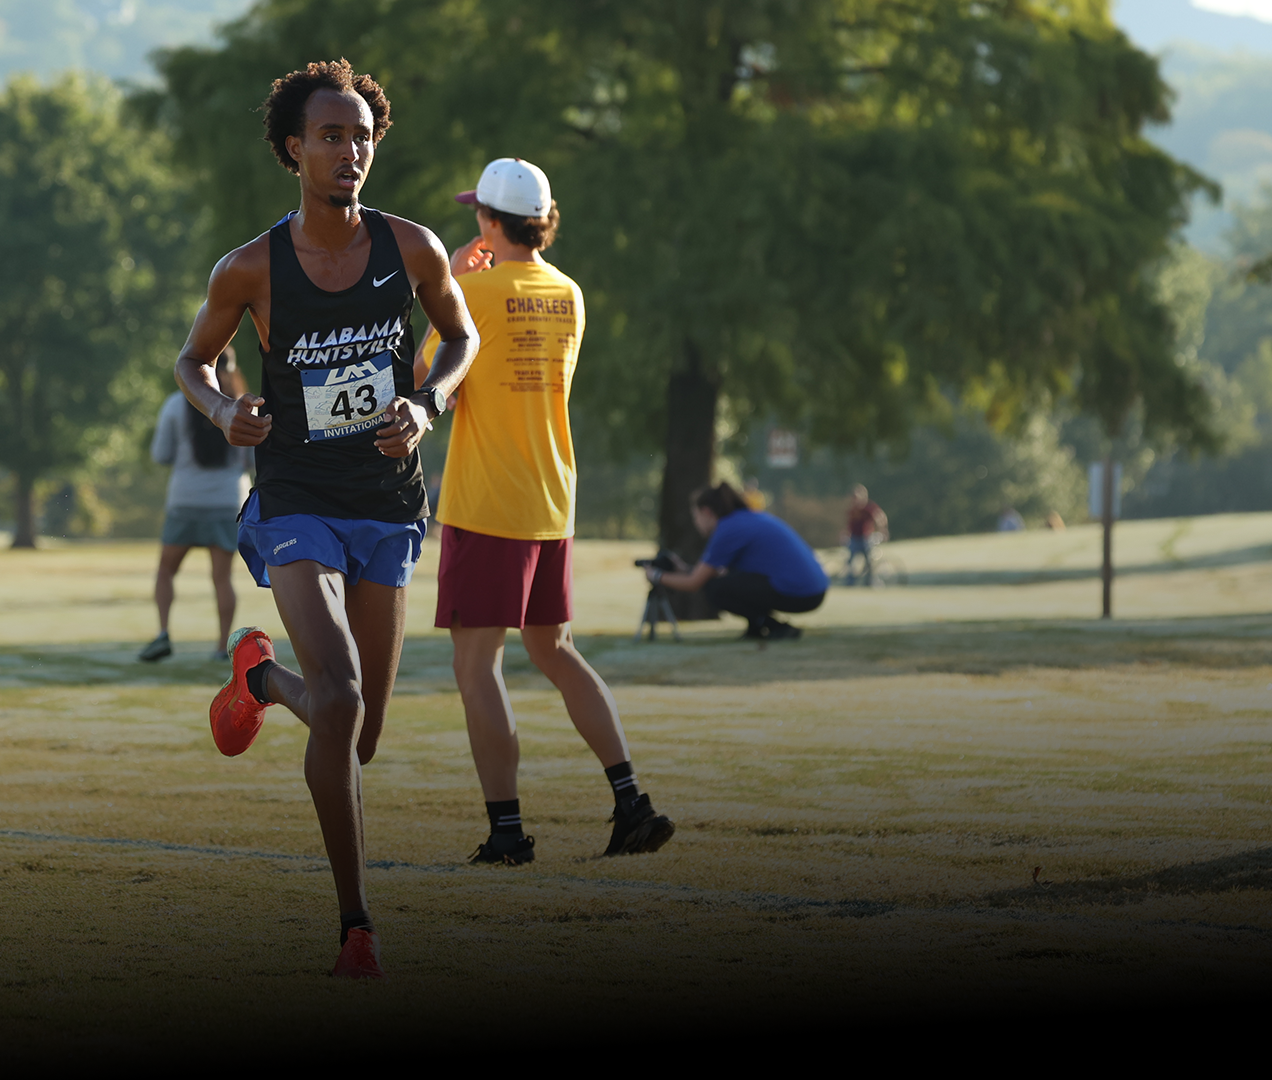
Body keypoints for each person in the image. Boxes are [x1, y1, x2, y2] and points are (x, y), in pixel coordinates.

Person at [174, 59, 478, 980]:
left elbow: (461, 338)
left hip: (386, 504)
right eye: (332, 136)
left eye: (364, 137)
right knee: (339, 699)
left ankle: (262, 682)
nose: (352, 152)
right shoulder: (251, 268)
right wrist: (227, 412)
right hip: (297, 498)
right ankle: (357, 930)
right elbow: (192, 363)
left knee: (361, 735)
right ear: (293, 149)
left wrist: (427, 404)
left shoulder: (414, 248)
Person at [417, 157, 673, 866]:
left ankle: (506, 832)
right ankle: (631, 800)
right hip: (551, 496)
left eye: (479, 212)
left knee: (477, 667)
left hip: (488, 497)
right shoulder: (570, 292)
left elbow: (425, 377)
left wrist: (457, 281)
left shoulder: (472, 289)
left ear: (490, 220)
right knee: (552, 649)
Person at [139, 347, 254, 663]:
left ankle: (163, 634)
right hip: (228, 501)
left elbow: (161, 454)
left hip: (185, 500)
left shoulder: (176, 405)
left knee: (166, 570)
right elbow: (255, 459)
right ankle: (221, 647)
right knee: (222, 578)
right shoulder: (244, 406)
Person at [649, 482, 828, 640]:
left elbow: (695, 582)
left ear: (706, 512)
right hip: (814, 588)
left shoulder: (728, 528)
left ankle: (776, 627)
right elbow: (718, 573)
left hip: (802, 592)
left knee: (715, 589)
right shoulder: (744, 519)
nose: (695, 523)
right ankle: (756, 628)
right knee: (724, 582)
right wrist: (684, 569)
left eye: (695, 516)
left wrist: (656, 576)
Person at [843, 484, 886, 586]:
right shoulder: (852, 510)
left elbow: (880, 518)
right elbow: (849, 524)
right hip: (854, 538)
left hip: (865, 538)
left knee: (869, 562)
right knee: (850, 562)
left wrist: (882, 530)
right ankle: (850, 583)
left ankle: (869, 582)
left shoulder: (868, 509)